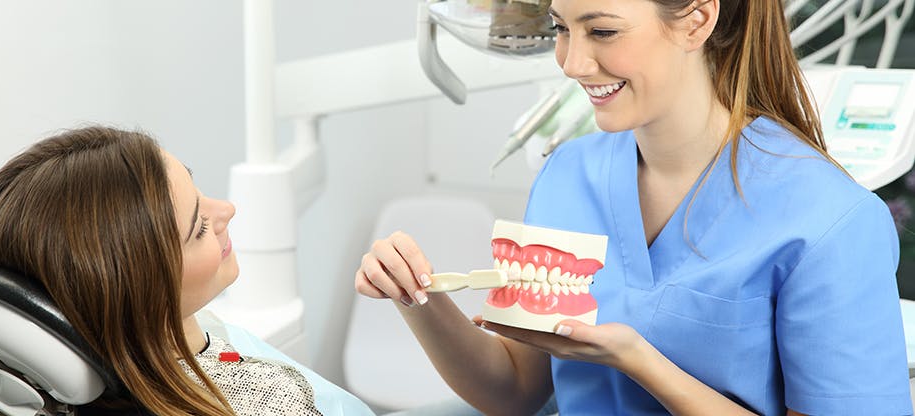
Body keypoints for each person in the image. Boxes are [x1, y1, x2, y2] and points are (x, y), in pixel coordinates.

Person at [356, 1, 913, 415]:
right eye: (561, 28)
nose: (573, 63)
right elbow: (515, 390)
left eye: (602, 31)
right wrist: (417, 297)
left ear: (697, 20)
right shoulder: (567, 174)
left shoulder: (829, 220)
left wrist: (638, 360)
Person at [0, 126, 374, 415]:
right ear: (140, 292)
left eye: (197, 192)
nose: (226, 210)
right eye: (199, 228)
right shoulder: (266, 399)